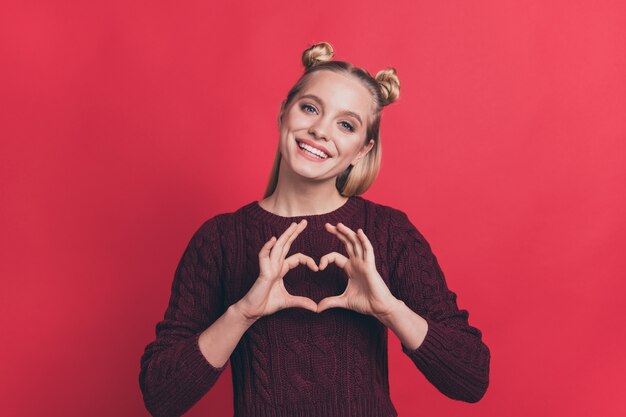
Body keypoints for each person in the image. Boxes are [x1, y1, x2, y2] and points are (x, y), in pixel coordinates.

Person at [139, 41, 490, 417]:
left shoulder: (390, 233)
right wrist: (242, 313)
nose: (321, 130)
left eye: (345, 124)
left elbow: (470, 378)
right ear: (283, 115)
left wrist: (388, 309)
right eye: (310, 108)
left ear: (362, 150)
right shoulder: (221, 239)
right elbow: (161, 397)